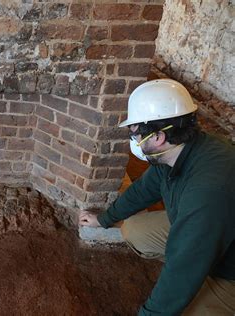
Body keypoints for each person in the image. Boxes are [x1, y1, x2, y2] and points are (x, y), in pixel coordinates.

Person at [79, 79, 235, 315]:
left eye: (135, 134)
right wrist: (104, 219)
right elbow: (143, 190)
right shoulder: (177, 151)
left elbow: (183, 269)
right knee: (135, 230)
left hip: (229, 269)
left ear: (159, 137)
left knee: (186, 300)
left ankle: (212, 290)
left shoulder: (206, 193)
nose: (134, 141)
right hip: (206, 234)